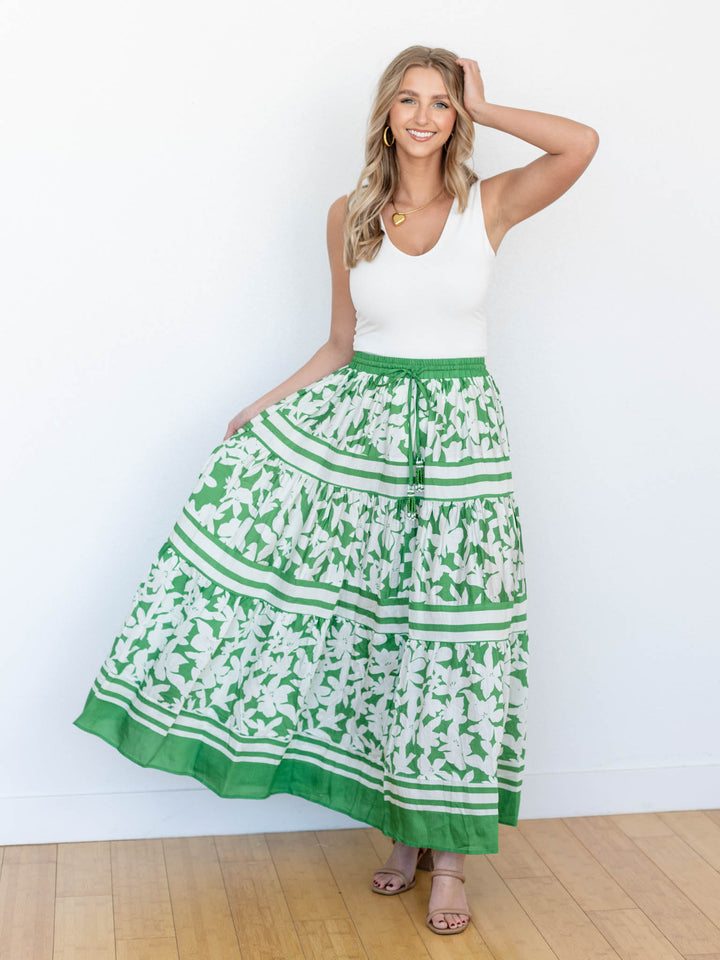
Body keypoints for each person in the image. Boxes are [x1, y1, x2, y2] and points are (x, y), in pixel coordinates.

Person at [73, 45, 598, 936]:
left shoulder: (489, 204)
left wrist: (488, 104)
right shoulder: (350, 215)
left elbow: (581, 144)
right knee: (384, 640)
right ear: (387, 113)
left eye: (441, 102)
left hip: (462, 451)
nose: (425, 116)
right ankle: (404, 835)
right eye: (410, 100)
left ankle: (451, 859)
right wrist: (265, 407)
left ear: (457, 117)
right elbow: (343, 344)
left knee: (453, 642)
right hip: (368, 450)